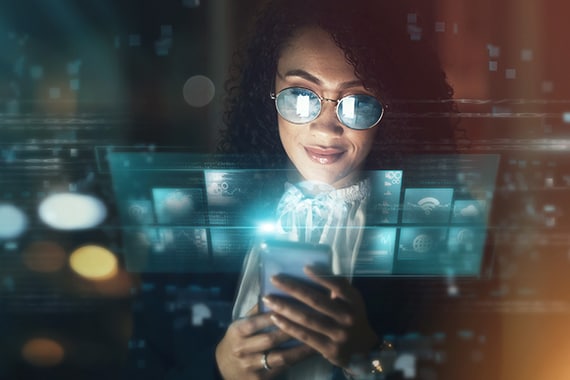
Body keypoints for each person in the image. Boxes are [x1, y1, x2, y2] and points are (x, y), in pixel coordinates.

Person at [215, 0, 457, 379]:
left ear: (394, 109)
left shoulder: (441, 230)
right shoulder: (209, 213)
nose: (326, 129)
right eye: (300, 94)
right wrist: (219, 367)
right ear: (269, 93)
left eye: (358, 101)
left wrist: (371, 356)